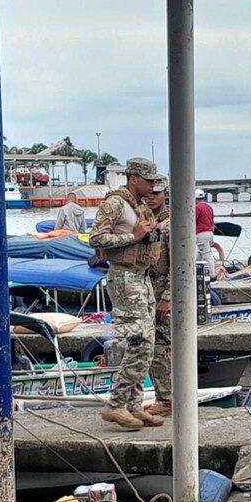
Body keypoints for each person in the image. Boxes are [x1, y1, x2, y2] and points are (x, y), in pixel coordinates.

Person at [89, 157, 163, 430]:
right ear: (134, 179)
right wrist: (132, 237)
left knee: (147, 344)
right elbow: (96, 238)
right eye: (148, 180)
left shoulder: (140, 206)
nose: (152, 186)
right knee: (140, 342)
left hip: (142, 278)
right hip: (125, 278)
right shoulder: (115, 204)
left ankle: (134, 404)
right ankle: (116, 403)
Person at [146, 175, 172, 417]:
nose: (151, 198)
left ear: (165, 194)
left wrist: (167, 297)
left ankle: (166, 398)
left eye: (156, 193)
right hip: (146, 290)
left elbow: (180, 264)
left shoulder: (170, 225)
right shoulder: (145, 222)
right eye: (148, 193)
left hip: (163, 290)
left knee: (162, 347)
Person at [195, 189, 225, 279]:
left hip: (201, 234)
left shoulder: (197, 207)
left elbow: (192, 221)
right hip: (210, 233)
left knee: (207, 255)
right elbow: (212, 222)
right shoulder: (209, 207)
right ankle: (193, 271)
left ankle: (212, 276)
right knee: (199, 255)